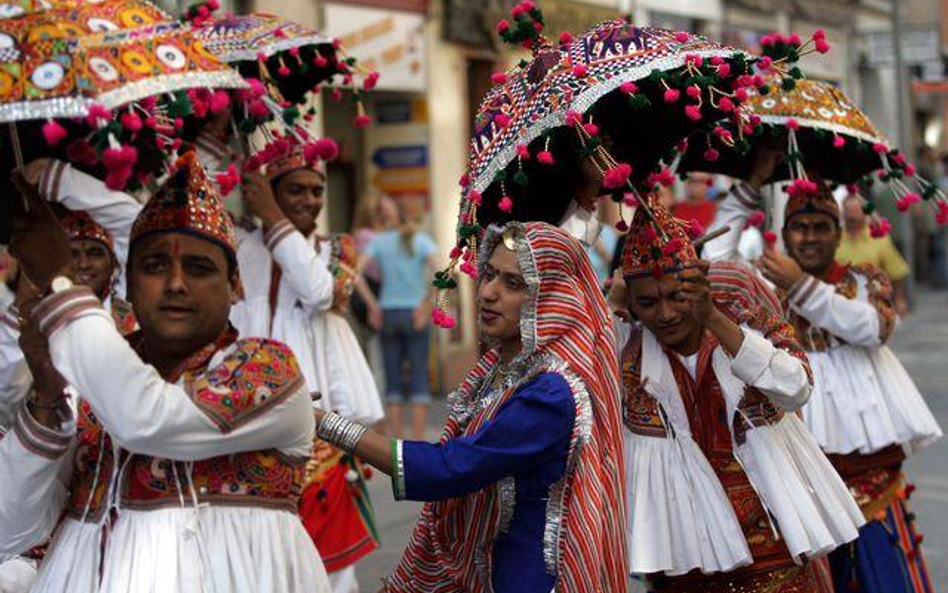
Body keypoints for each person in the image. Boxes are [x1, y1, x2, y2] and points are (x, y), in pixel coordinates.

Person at [0, 152, 331, 592]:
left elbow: (147, 420)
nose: (176, 283)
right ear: (129, 285)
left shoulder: (266, 368)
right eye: (155, 266)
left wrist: (61, 279)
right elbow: (10, 526)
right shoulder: (95, 381)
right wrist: (45, 396)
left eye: (199, 268)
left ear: (235, 286)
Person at [311, 221, 627, 592]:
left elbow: (447, 469)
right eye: (489, 275)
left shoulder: (550, 394)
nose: (487, 293)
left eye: (513, 283)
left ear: (551, 297)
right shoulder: (502, 367)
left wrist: (324, 423)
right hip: (483, 568)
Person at [704, 151, 943, 593]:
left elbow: (872, 328)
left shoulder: (863, 279)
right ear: (785, 233)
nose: (810, 237)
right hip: (799, 467)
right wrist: (752, 183)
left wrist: (803, 286)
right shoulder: (765, 285)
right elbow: (713, 261)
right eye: (800, 227)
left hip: (868, 473)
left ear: (837, 234)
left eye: (820, 228)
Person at [617, 200, 863, 592]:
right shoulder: (625, 355)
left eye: (677, 297)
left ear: (699, 287)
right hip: (687, 560)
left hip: (774, 554)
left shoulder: (748, 325)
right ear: (630, 302)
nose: (665, 314)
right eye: (648, 302)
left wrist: (713, 316)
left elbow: (796, 386)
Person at [234, 147, 383, 593]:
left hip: (324, 425)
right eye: (294, 190)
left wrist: (272, 217)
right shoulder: (240, 246)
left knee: (333, 569)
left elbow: (318, 291)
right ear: (269, 191)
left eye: (317, 190)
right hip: (250, 414)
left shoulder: (338, 249)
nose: (310, 200)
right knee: (260, 558)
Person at [362, 200, 439, 440]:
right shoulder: (422, 242)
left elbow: (354, 273)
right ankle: (417, 441)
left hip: (388, 313)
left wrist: (373, 306)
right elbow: (445, 275)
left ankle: (395, 444)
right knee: (418, 374)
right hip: (415, 313)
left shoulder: (378, 242)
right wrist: (426, 306)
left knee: (392, 377)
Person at [837, 194, 910, 317]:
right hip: (841, 305)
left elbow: (897, 272)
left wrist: (899, 299)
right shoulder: (834, 239)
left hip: (874, 307)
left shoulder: (879, 239)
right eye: (848, 211)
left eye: (855, 211)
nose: (851, 216)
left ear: (865, 213)